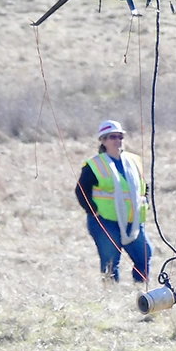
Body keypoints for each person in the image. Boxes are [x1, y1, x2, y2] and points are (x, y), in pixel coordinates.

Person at [75, 120, 152, 283]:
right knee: (110, 261)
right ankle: (111, 297)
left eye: (120, 137)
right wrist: (93, 211)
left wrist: (145, 202)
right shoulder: (94, 165)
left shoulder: (134, 160)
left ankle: (141, 291)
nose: (117, 140)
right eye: (112, 137)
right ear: (103, 140)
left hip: (133, 219)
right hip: (105, 220)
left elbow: (144, 185)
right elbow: (81, 190)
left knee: (144, 254)